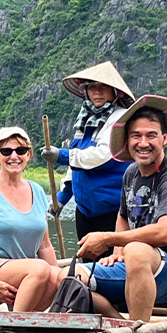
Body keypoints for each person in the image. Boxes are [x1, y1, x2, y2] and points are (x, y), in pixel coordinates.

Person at [61, 95, 167, 322]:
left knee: (136, 250)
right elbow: (123, 215)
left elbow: (166, 233)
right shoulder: (131, 174)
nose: (143, 143)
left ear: (164, 139)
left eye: (151, 135)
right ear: (127, 141)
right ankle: (117, 320)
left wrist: (110, 240)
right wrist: (117, 254)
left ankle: (138, 330)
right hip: (136, 268)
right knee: (68, 277)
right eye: (136, 136)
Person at [40, 61, 136, 253]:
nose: (97, 92)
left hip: (112, 210)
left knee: (112, 263)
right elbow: (77, 161)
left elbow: (102, 155)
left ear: (115, 92)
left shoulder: (121, 118)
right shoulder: (85, 118)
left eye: (103, 87)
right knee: (87, 259)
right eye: (92, 87)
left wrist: (62, 155)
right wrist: (63, 196)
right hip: (85, 210)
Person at [0, 127, 60, 311]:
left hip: (27, 268)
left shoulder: (37, 191)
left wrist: (59, 279)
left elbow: (44, 245)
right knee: (40, 269)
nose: (14, 156)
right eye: (6, 151)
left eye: (20, 151)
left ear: (28, 155)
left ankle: (22, 317)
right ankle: (13, 326)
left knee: (58, 277)